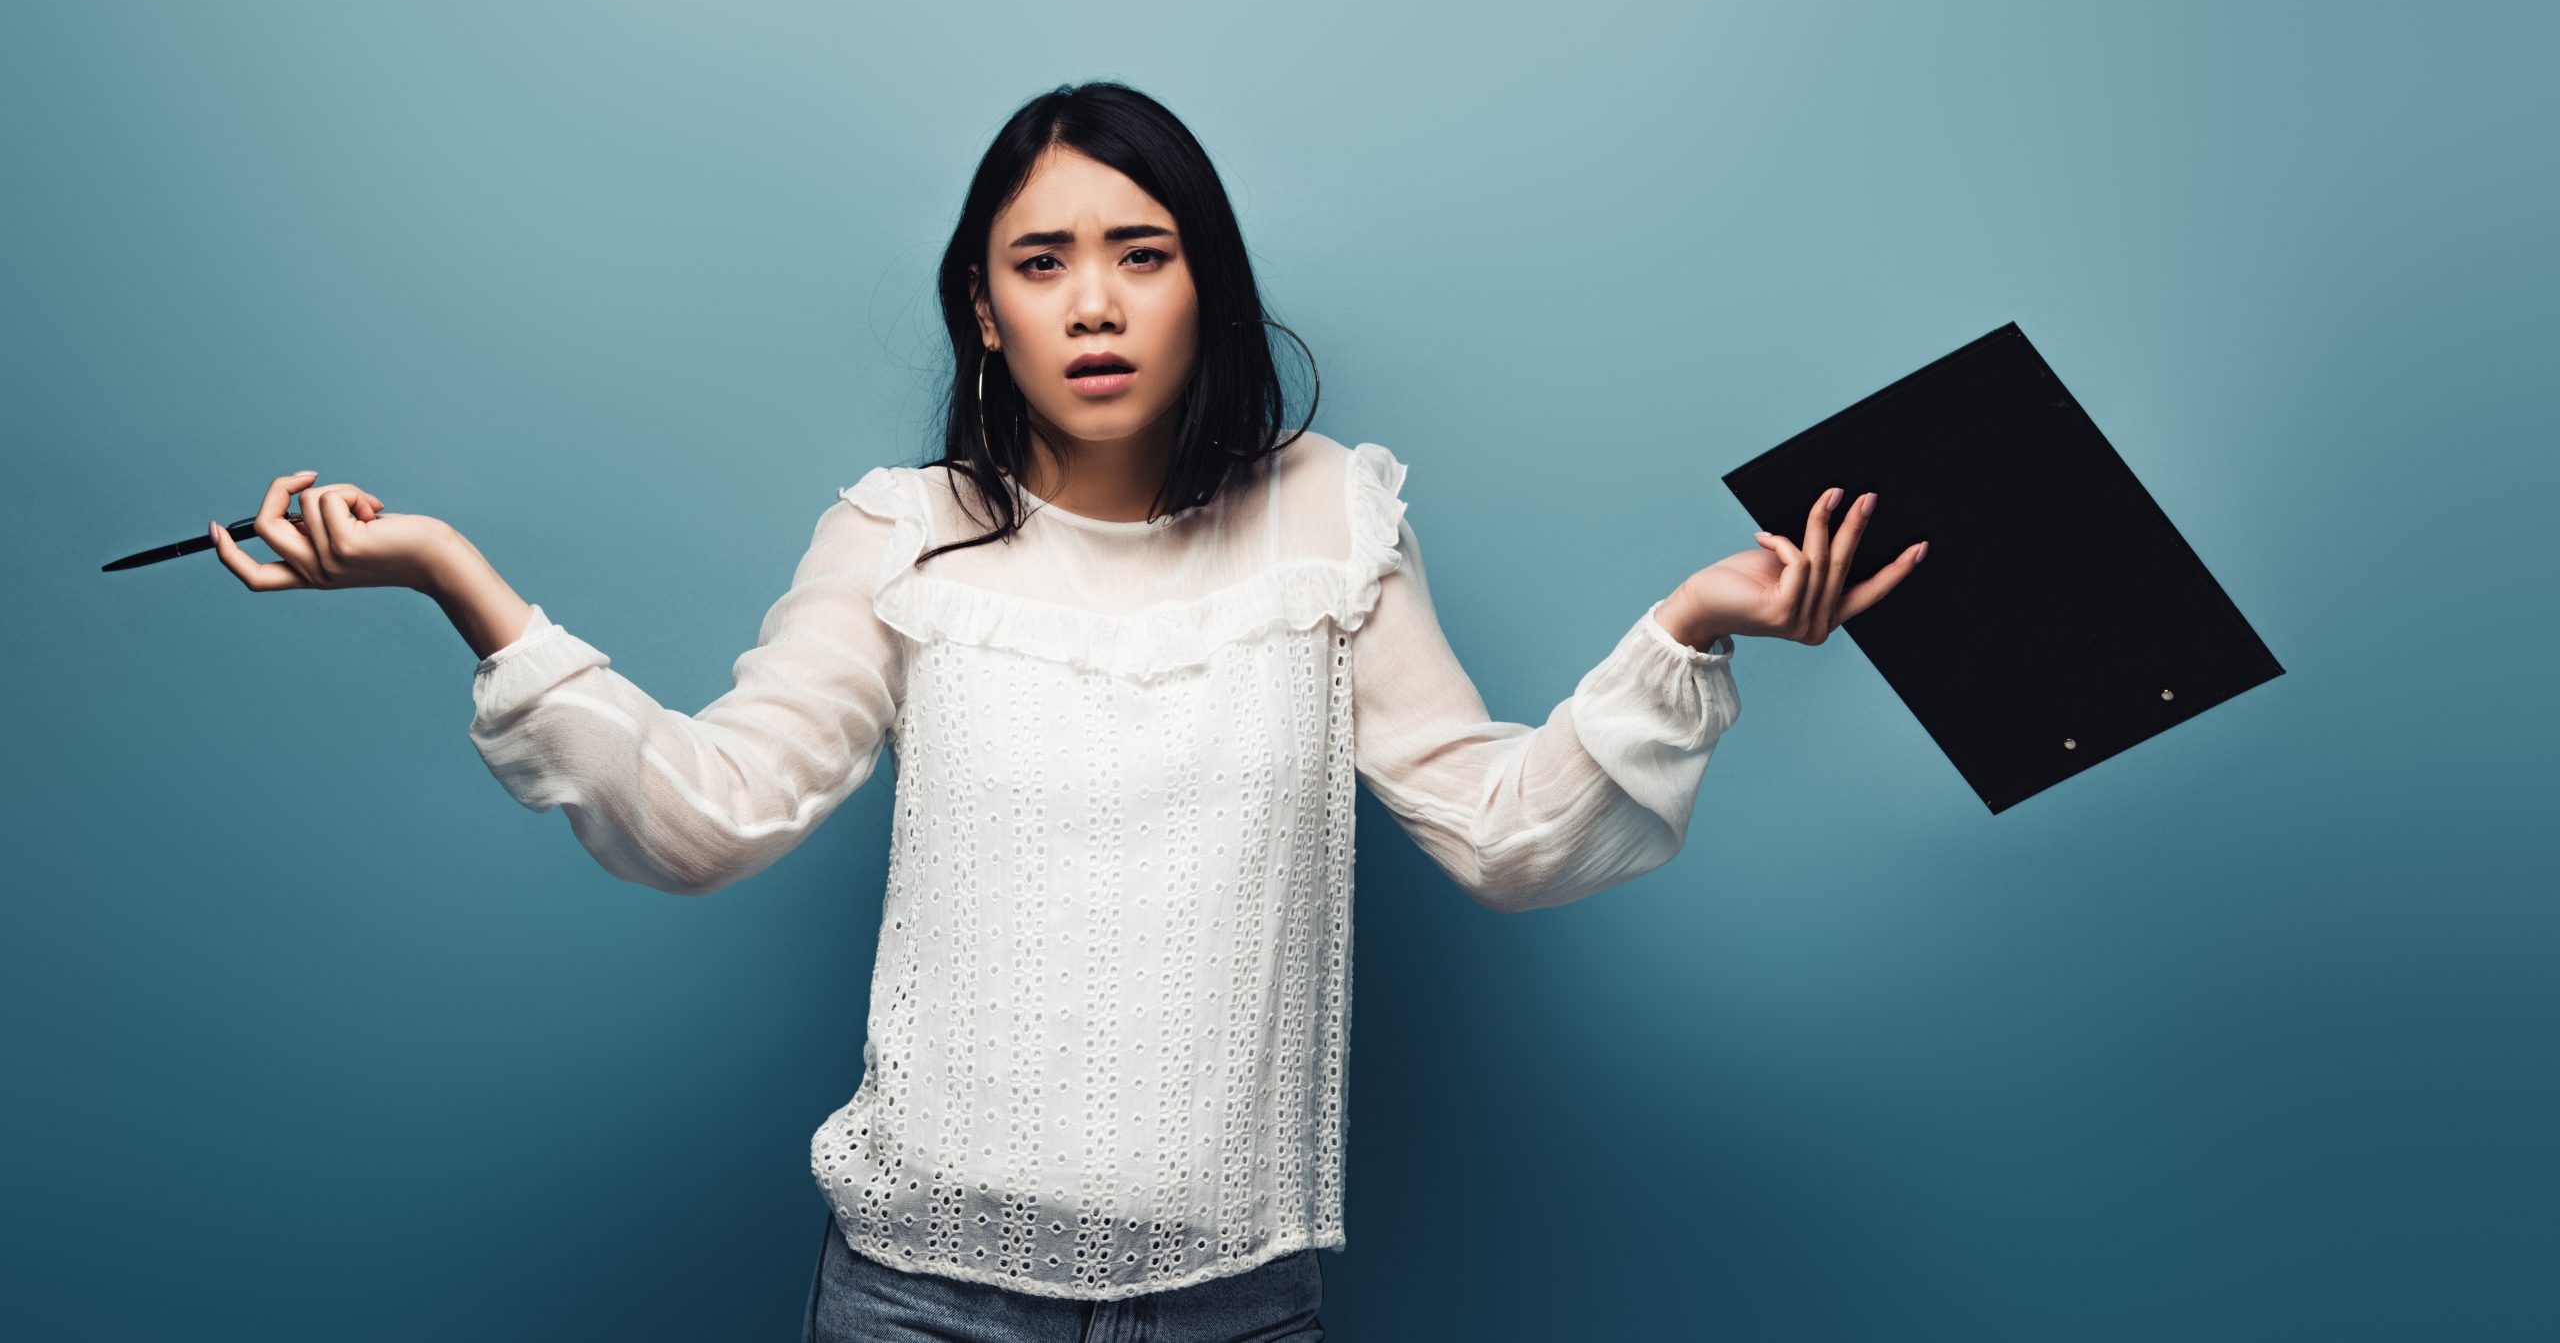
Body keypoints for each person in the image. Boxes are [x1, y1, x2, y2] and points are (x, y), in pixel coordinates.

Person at [210, 81, 1925, 1342]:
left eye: (1141, 251)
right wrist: (457, 578)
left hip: (1236, 1307)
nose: (1093, 299)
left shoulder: (1331, 517)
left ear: (1206, 285)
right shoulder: (902, 533)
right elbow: (703, 813)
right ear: (986, 307)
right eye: (1043, 260)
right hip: (918, 1305)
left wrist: (1694, 625)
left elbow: (1501, 827)